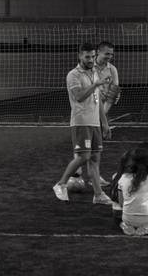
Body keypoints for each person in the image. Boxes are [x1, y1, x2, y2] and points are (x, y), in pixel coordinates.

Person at [52, 42, 113, 205]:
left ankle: (98, 194)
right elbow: (79, 96)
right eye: (87, 56)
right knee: (84, 156)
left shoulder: (94, 73)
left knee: (94, 159)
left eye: (93, 56)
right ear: (80, 56)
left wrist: (104, 123)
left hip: (94, 123)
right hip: (81, 122)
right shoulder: (73, 75)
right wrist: (95, 85)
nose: (91, 59)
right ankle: (61, 184)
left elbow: (98, 100)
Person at [117, 147, 148, 235]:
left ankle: (124, 225)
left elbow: (121, 203)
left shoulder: (123, 177)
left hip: (127, 218)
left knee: (126, 220)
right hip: (147, 218)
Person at [109, 149, 135, 226]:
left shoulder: (115, 176)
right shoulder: (138, 178)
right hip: (130, 214)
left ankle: (124, 225)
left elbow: (119, 202)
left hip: (116, 214)